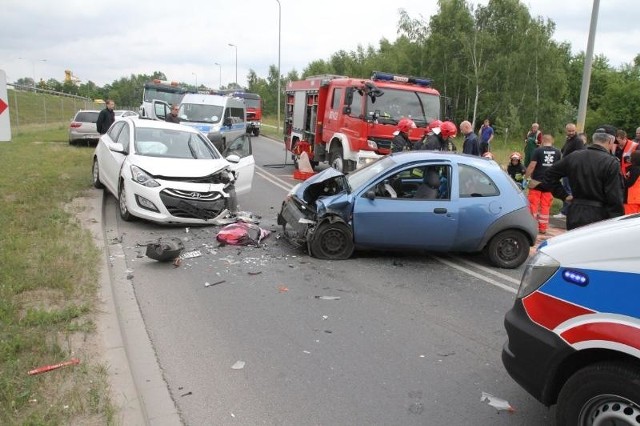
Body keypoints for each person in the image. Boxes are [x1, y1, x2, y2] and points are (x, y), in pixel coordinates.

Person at [542, 125, 624, 231]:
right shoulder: (611, 162)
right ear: (610, 141)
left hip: (575, 212)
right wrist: (616, 222)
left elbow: (549, 174)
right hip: (599, 215)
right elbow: (614, 196)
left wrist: (564, 195)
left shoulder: (574, 156)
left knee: (574, 245)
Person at [524, 134, 562, 234]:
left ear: (542, 141)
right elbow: (559, 167)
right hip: (549, 183)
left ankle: (530, 226)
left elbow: (532, 166)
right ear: (552, 141)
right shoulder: (557, 152)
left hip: (537, 182)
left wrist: (525, 177)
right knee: (546, 206)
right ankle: (543, 228)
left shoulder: (538, 151)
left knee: (533, 204)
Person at [554, 123, 586, 218]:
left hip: (572, 169)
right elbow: (563, 150)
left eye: (573, 131)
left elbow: (580, 155)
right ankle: (568, 211)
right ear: (566, 131)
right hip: (566, 168)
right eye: (569, 131)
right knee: (567, 189)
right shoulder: (569, 139)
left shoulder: (578, 141)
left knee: (568, 190)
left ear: (575, 130)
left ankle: (565, 212)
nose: (571, 132)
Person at [624, 150, 640, 214]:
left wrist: (624, 177)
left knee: (630, 221)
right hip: (637, 199)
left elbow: (628, 184)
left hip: (632, 200)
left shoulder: (634, 169)